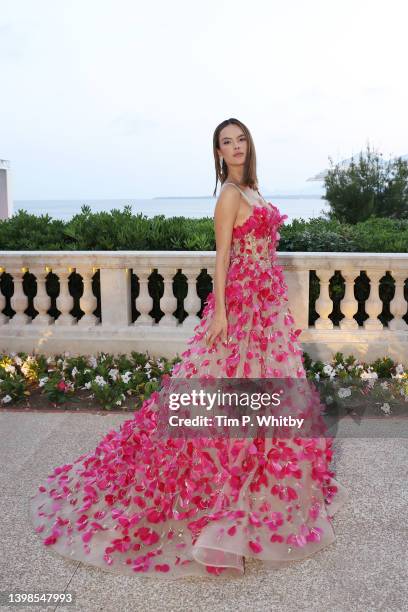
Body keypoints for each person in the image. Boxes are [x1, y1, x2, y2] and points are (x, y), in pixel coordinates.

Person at [29, 117, 348, 579]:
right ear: (218, 153)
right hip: (239, 308)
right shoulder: (230, 196)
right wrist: (221, 313)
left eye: (241, 140)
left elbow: (263, 253)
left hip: (266, 310)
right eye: (226, 143)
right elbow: (221, 258)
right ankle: (223, 484)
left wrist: (272, 305)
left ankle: (261, 478)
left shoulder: (253, 189)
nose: (236, 147)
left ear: (249, 145)